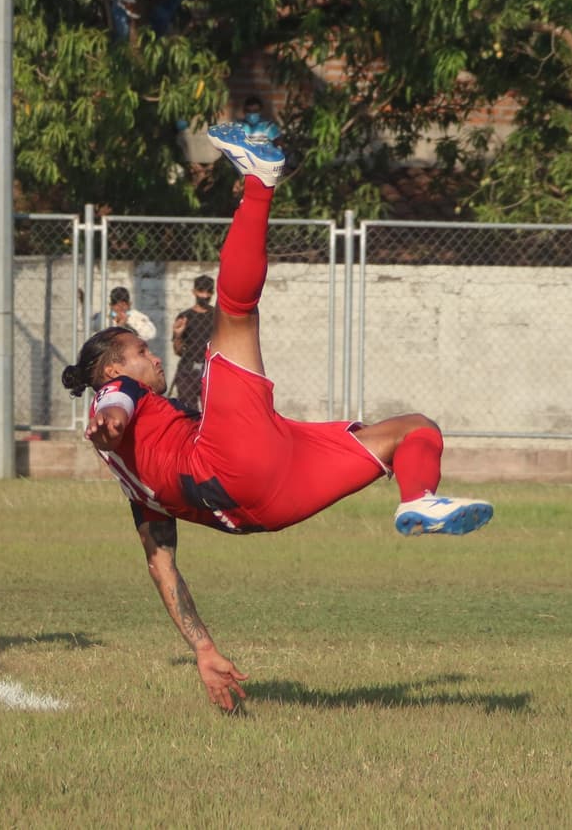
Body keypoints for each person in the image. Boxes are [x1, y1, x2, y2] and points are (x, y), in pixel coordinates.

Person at [60, 125, 492, 711]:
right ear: (113, 366)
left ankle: (417, 498)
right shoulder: (115, 391)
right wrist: (110, 410)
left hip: (267, 507)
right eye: (139, 351)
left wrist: (203, 648)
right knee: (235, 311)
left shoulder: (139, 491)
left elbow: (164, 570)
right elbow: (115, 402)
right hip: (229, 461)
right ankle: (260, 181)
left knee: (415, 429)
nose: (151, 356)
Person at [169, 273, 215, 410]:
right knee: (188, 413)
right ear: (194, 292)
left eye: (208, 291)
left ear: (212, 293)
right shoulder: (185, 317)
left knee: (212, 412)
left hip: (211, 369)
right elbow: (177, 351)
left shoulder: (217, 316)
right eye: (201, 291)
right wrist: (178, 335)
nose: (204, 295)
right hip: (188, 370)